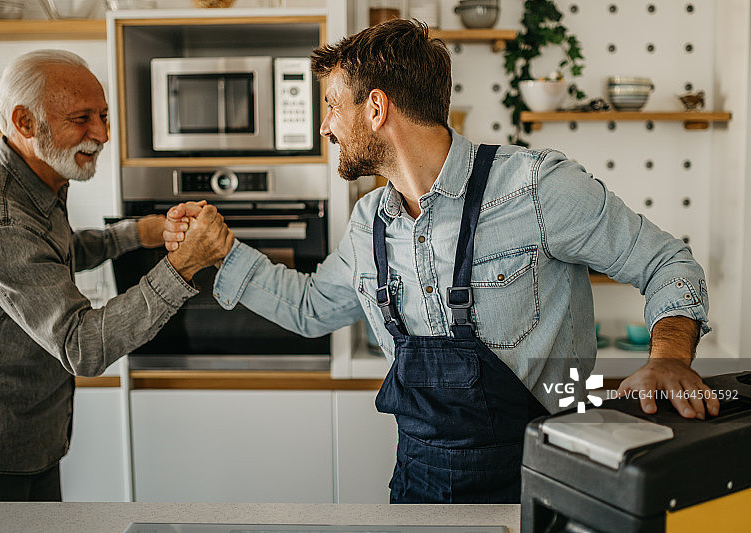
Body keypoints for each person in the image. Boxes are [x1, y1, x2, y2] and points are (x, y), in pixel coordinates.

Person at [164, 20, 718, 504]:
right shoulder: (368, 224)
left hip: (549, 476)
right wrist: (223, 255)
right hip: (419, 487)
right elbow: (311, 307)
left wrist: (668, 356)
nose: (325, 126)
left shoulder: (536, 187)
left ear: (376, 108)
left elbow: (667, 262)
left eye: (332, 105)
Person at [0, 50, 232, 502]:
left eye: (103, 115)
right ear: (25, 122)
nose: (102, 133)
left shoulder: (34, 175)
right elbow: (82, 347)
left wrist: (144, 231)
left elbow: (57, 253)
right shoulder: (2, 219)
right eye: (81, 118)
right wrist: (182, 267)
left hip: (28, 437)